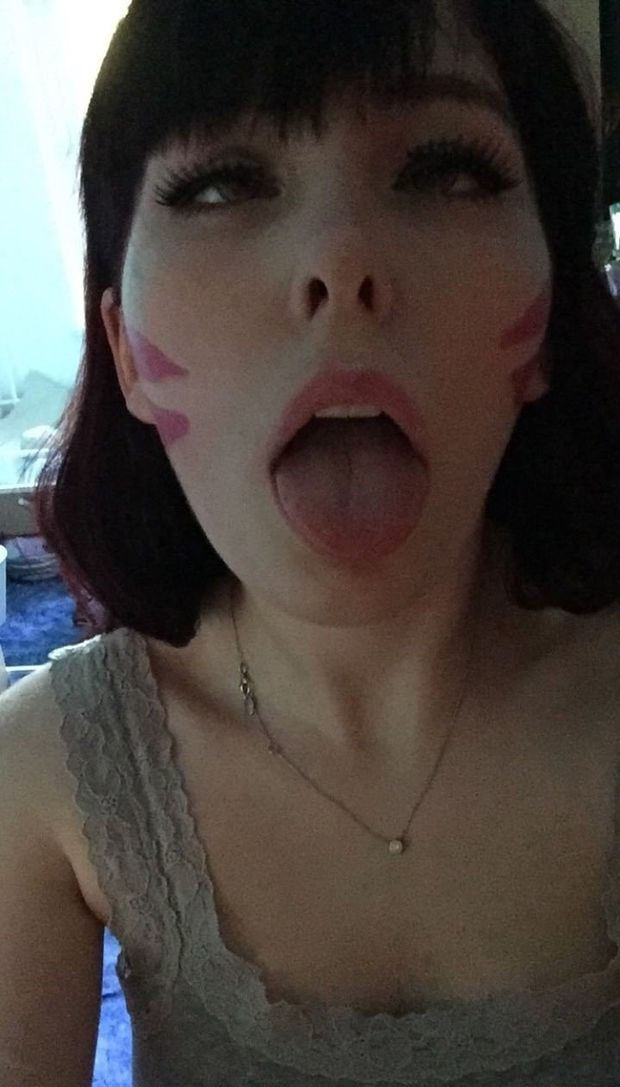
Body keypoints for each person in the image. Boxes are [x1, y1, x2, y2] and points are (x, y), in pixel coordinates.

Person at [2, 0, 620, 1084]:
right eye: (220, 184)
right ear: (126, 352)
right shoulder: (43, 776)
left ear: (552, 322)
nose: (340, 261)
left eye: (445, 170)